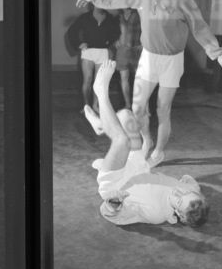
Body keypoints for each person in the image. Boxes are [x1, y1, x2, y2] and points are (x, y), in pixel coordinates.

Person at [80, 0, 222, 167]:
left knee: (163, 110)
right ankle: (147, 140)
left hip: (172, 60)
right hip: (148, 58)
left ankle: (159, 152)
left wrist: (217, 54)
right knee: (138, 109)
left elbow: (199, 26)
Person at [86, 57, 208, 228]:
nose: (179, 192)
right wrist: (193, 193)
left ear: (178, 215)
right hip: (139, 168)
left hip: (116, 183)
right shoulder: (193, 191)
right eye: (185, 192)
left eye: (179, 201)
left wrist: (114, 203)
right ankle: (102, 127)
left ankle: (100, 91)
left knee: (122, 141)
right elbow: (191, 184)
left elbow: (114, 216)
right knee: (126, 116)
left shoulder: (156, 213)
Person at [64, 0, 124, 136]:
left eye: (103, 2)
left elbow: (117, 32)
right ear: (94, 4)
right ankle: (86, 106)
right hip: (88, 51)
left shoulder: (110, 18)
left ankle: (95, 105)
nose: (100, 5)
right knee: (88, 79)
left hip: (102, 51)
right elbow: (72, 31)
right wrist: (78, 44)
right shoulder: (85, 17)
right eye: (98, 2)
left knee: (99, 82)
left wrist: (111, 42)